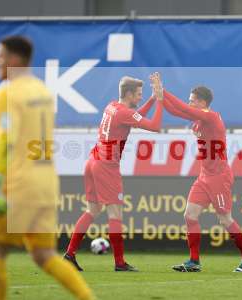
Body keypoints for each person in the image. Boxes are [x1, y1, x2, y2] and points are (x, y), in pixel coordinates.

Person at [0, 35, 94, 300]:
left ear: (14, 59)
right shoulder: (42, 91)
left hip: (18, 183)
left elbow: (6, 140)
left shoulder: (7, 93)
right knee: (44, 255)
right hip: (45, 183)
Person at [151, 74, 242, 272]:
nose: (189, 103)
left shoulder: (211, 116)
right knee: (190, 215)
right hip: (204, 176)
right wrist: (160, 97)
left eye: (192, 100)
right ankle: (194, 261)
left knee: (225, 220)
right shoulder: (199, 120)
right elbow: (177, 111)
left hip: (219, 177)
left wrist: (164, 92)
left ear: (202, 102)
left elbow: (182, 108)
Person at [64, 74, 163, 272]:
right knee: (115, 213)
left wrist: (152, 98)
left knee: (92, 210)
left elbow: (135, 118)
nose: (140, 98)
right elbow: (155, 126)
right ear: (128, 94)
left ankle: (69, 254)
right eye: (138, 95)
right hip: (107, 165)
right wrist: (159, 100)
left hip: (93, 159)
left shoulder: (112, 106)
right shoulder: (124, 113)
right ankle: (119, 263)